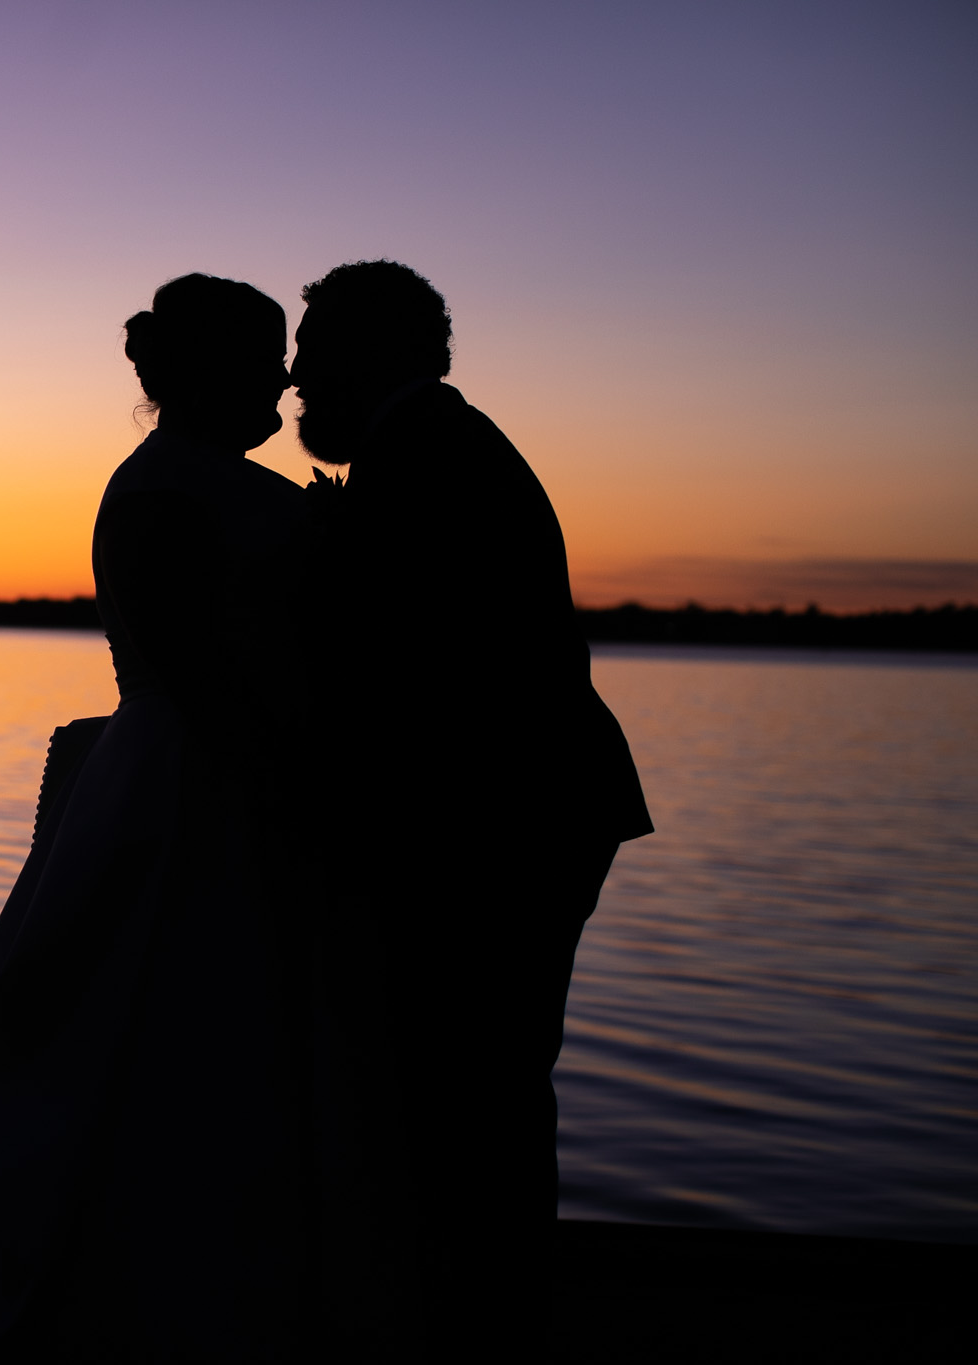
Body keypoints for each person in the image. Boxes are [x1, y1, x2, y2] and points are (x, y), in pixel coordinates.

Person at [0, 274, 310, 1360]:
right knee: (157, 1043)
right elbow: (203, 668)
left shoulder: (207, 479)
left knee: (197, 1055)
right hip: (193, 794)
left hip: (200, 778)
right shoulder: (171, 488)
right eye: (267, 355)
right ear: (213, 368)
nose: (286, 376)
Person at [289, 260, 652, 1359]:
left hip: (499, 829)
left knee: (471, 1095)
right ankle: (472, 1312)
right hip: (523, 814)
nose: (295, 375)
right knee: (474, 1092)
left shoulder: (428, 458)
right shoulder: (433, 446)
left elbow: (415, 674)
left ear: (367, 352)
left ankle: (477, 1326)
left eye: (309, 351)